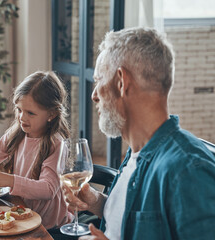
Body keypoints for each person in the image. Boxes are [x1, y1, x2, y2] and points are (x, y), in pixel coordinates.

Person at [63, 27, 215, 240]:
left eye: (98, 80)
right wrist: (95, 201)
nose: (94, 95)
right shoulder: (138, 152)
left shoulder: (188, 171)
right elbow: (133, 222)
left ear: (121, 82)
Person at [0, 71, 72, 229]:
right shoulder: (17, 132)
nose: (22, 117)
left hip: (49, 226)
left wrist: (10, 180)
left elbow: (48, 189)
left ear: (51, 114)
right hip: (22, 213)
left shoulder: (55, 144)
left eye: (30, 113)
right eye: (19, 110)